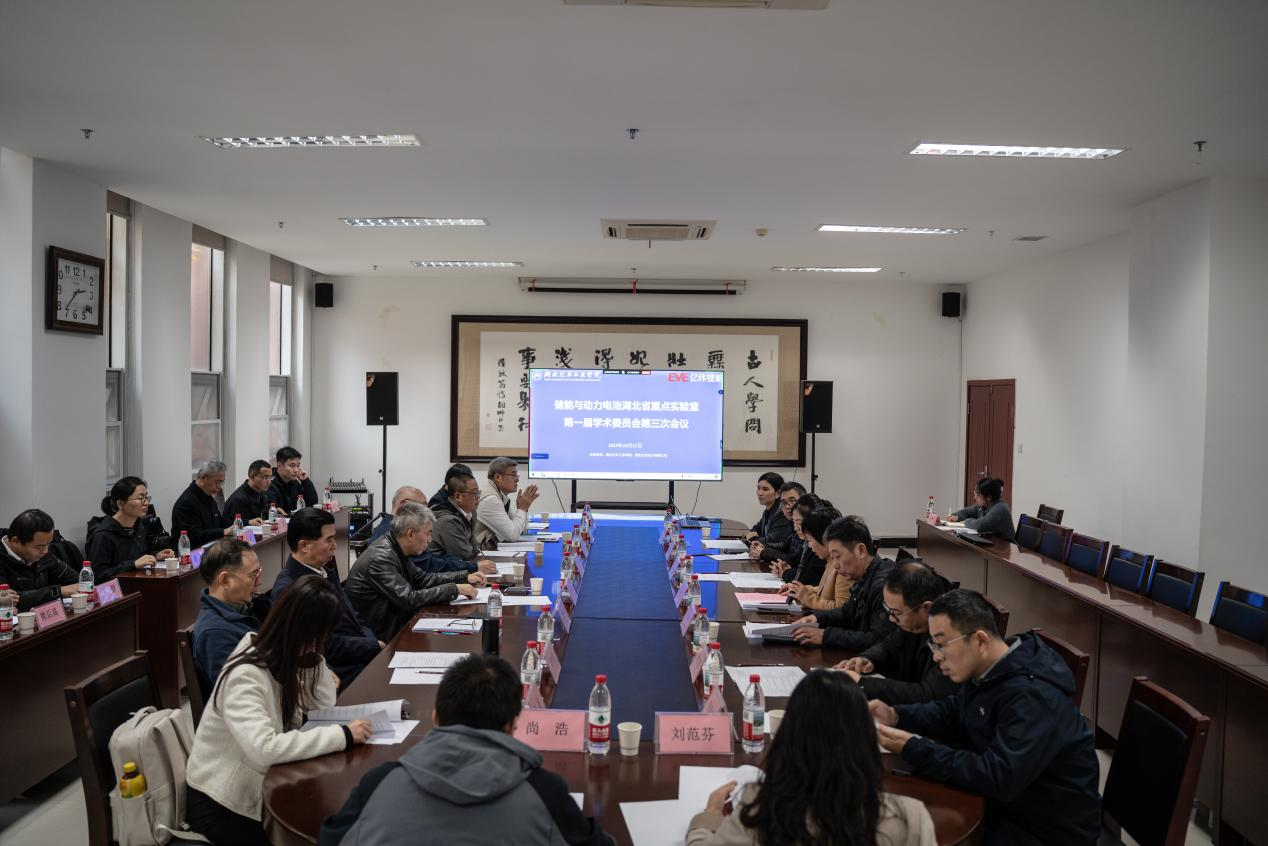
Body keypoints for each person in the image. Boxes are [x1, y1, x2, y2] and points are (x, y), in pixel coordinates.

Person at [872, 589, 1101, 846]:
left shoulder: (1033, 696)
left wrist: (913, 747)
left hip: (1044, 828)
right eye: (933, 645)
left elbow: (998, 777)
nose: (936, 657)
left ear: (980, 640)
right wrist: (896, 715)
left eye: (941, 644)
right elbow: (954, 711)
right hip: (1009, 804)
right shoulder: (993, 667)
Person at [319, 653, 613, 846]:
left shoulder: (378, 785)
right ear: (513, 725)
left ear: (435, 717)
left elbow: (330, 839)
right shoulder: (545, 792)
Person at [186, 575, 374, 846]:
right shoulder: (246, 673)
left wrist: (313, 659)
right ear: (303, 630)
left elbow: (323, 706)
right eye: (320, 636)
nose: (321, 642)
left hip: (267, 780)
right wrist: (343, 734)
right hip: (224, 801)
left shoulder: (283, 655)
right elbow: (264, 749)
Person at [685, 669, 935, 846]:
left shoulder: (762, 809)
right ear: (866, 739)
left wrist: (709, 817)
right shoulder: (911, 818)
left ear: (789, 735)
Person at [272, 508, 381, 688]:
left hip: (359, 655)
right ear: (304, 546)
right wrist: (372, 646)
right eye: (329, 540)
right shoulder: (292, 589)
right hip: (337, 672)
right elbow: (323, 646)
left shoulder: (323, 571)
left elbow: (353, 616)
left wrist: (372, 642)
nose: (335, 545)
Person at [347, 501, 485, 642]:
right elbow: (409, 599)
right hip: (380, 638)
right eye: (428, 534)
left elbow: (423, 579)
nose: (430, 540)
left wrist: (464, 577)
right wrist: (454, 589)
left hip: (396, 625)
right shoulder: (381, 558)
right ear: (411, 534)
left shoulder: (397, 548)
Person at [835, 560, 959, 705]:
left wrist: (862, 683)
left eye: (896, 613)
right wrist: (867, 659)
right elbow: (887, 648)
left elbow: (927, 694)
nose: (891, 618)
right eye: (888, 610)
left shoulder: (954, 638)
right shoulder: (912, 625)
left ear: (926, 608)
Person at [792, 515, 896, 651]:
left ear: (861, 551)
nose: (835, 565)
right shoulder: (864, 577)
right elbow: (847, 612)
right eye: (832, 558)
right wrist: (816, 618)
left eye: (837, 556)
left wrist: (826, 635)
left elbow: (878, 639)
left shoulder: (883, 586)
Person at [192, 537, 270, 684]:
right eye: (253, 575)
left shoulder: (251, 606)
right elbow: (241, 688)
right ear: (225, 580)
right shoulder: (215, 633)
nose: (259, 581)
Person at [368, 486, 493, 575]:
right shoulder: (393, 533)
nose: (427, 511)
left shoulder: (391, 527)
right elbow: (429, 565)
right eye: (422, 506)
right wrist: (472, 567)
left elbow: (431, 560)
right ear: (403, 505)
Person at [85, 476, 176, 579]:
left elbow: (137, 557)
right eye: (140, 498)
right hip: (118, 588)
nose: (146, 503)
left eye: (146, 497)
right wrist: (133, 564)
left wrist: (155, 556)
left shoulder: (139, 527)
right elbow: (96, 575)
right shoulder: (103, 535)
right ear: (121, 503)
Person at [1, 509, 80, 611]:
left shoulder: (42, 553)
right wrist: (57, 591)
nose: (46, 551)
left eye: (48, 544)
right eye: (40, 546)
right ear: (15, 541)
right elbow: (10, 600)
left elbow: (77, 581)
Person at [782, 506, 850, 611]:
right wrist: (803, 589)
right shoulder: (829, 560)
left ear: (824, 538)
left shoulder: (842, 565)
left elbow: (840, 609)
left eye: (810, 540)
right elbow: (826, 590)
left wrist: (807, 598)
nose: (809, 546)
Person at [474, 457, 540, 547]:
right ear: (497, 477)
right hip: (479, 552)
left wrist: (524, 508)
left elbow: (521, 530)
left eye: (517, 475)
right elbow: (512, 535)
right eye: (513, 475)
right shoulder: (491, 500)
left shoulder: (499, 494)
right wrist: (522, 509)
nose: (517, 479)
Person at [769, 493, 829, 585]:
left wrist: (785, 572)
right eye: (794, 522)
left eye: (799, 523)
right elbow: (796, 562)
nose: (795, 528)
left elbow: (808, 577)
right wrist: (785, 567)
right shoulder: (806, 543)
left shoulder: (821, 544)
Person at [171, 460, 234, 546]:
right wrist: (223, 532)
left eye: (222, 482)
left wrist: (242, 524)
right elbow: (193, 536)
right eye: (217, 482)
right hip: (190, 552)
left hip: (210, 548)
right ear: (204, 478)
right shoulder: (186, 503)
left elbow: (219, 521)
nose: (219, 487)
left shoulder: (208, 496)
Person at [428, 471, 485, 563]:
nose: (478, 497)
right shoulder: (447, 521)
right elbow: (464, 555)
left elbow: (475, 547)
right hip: (439, 569)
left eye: (478, 492)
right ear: (458, 496)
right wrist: (474, 550)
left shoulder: (470, 514)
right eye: (474, 493)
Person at [750, 481, 805, 564]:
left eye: (792, 501)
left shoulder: (808, 525)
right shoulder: (793, 523)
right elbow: (785, 545)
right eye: (784, 502)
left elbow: (795, 559)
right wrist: (764, 546)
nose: (787, 506)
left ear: (804, 500)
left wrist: (764, 552)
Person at [946, 478, 1015, 543]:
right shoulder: (983, 505)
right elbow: (966, 512)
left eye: (978, 495)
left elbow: (980, 525)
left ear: (989, 497)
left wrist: (965, 522)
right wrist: (958, 517)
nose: (975, 497)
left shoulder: (1000, 508)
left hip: (1006, 547)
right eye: (975, 493)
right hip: (992, 543)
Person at [742, 473, 792, 554]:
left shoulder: (782, 512)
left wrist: (751, 538)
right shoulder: (768, 510)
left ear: (778, 493)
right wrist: (751, 535)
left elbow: (771, 541)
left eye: (765, 489)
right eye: (758, 488)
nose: (760, 493)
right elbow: (755, 529)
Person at [267, 446, 320, 514]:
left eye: (298, 466)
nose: (296, 470)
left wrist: (306, 481)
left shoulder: (294, 482)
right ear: (279, 466)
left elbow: (312, 503)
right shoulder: (269, 484)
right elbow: (274, 512)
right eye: (292, 466)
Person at [223, 459, 274, 524]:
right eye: (265, 477)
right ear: (252, 477)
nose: (269, 482)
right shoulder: (238, 499)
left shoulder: (261, 494)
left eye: (270, 477)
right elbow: (230, 524)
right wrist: (248, 522)